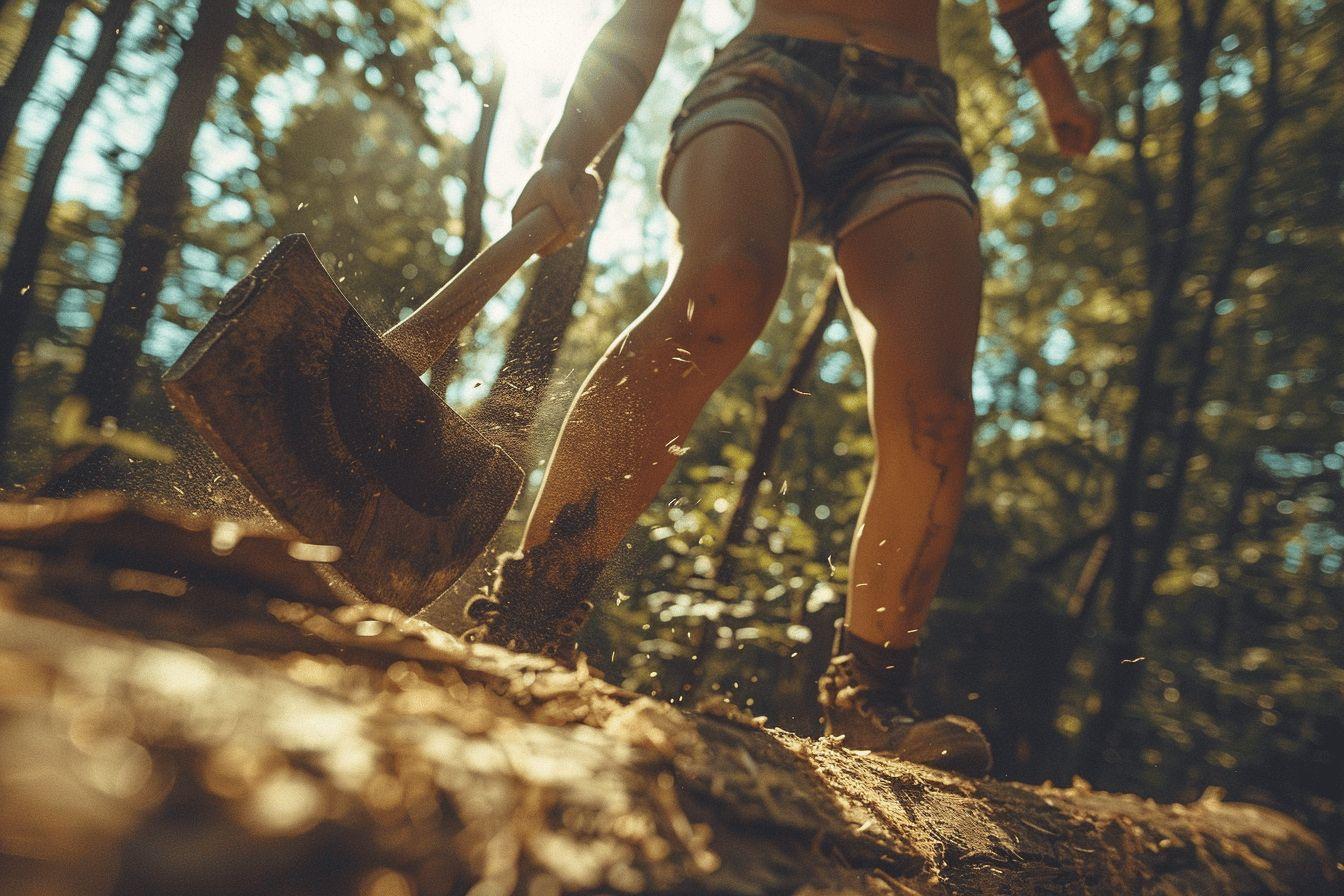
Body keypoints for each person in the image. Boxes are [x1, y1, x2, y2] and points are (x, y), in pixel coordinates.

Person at [464, 0, 1102, 775]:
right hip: (767, 73)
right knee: (726, 283)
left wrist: (1055, 86)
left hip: (913, 117)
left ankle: (869, 697)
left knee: (939, 414)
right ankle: (527, 621)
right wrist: (569, 150)